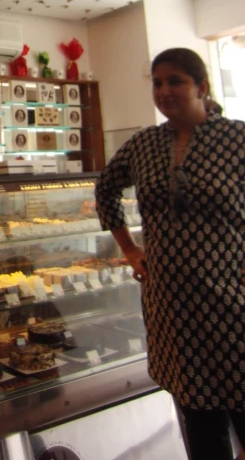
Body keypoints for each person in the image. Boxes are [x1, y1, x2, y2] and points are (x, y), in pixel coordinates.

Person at [95, 47, 245, 460]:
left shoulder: (236, 139)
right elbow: (105, 188)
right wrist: (129, 248)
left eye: (175, 81)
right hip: (171, 308)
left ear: (201, 86)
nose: (164, 91)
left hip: (231, 302)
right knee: (201, 429)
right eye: (157, 83)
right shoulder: (144, 144)